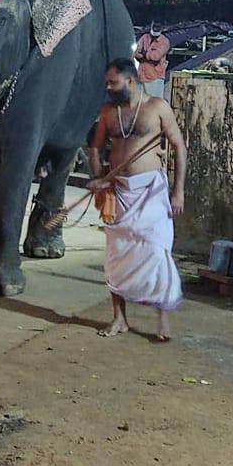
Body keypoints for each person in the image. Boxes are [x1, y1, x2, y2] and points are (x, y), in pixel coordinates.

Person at [87, 57, 187, 342]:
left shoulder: (157, 108)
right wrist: (100, 180)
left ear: (130, 80)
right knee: (116, 256)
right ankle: (119, 319)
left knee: (156, 251)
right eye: (107, 82)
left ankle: (162, 318)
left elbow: (179, 147)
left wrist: (178, 191)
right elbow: (95, 149)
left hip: (151, 192)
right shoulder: (108, 112)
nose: (108, 87)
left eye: (113, 82)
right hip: (119, 191)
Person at [134, 21, 170, 99]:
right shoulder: (144, 38)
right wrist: (147, 55)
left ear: (162, 28)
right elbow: (136, 53)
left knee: (154, 105)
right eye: (154, 26)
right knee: (141, 106)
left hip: (155, 78)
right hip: (141, 77)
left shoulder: (165, 42)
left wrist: (143, 54)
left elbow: (155, 57)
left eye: (158, 27)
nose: (155, 28)